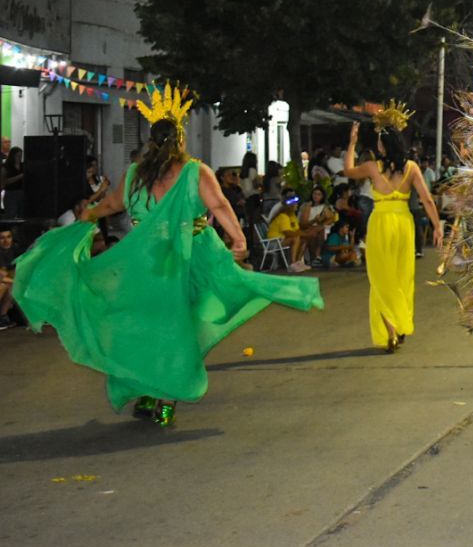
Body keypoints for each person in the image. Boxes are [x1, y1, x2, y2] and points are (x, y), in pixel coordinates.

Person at [12, 86, 324, 426]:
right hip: (190, 257)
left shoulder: (135, 174)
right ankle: (164, 400)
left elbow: (112, 206)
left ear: (150, 140)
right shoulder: (195, 171)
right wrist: (237, 238)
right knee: (180, 329)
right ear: (180, 139)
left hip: (144, 263)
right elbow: (219, 205)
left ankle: (152, 393)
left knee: (150, 328)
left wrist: (87, 216)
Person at [343, 104, 441, 352]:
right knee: (401, 277)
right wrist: (437, 226)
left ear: (384, 145)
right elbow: (427, 199)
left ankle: (391, 331)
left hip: (381, 223)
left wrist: (352, 143)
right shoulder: (412, 168)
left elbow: (347, 170)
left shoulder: (373, 167)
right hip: (404, 224)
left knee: (380, 278)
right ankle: (400, 323)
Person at [266, 192, 310, 272]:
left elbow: (297, 230)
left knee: (304, 239)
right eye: (294, 204)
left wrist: (304, 234)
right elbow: (288, 233)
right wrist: (302, 233)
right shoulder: (283, 216)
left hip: (282, 240)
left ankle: (298, 262)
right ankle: (292, 264)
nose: (296, 205)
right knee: (295, 238)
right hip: (274, 242)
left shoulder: (292, 215)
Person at [298, 185, 337, 264]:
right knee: (313, 233)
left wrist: (322, 224)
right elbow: (303, 223)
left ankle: (316, 256)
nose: (316, 196)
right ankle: (314, 257)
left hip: (317, 229)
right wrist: (314, 221)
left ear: (322, 196)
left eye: (319, 194)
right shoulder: (307, 206)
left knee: (319, 230)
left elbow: (331, 219)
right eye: (315, 194)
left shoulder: (325, 207)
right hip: (307, 228)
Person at [2, 146, 24, 218]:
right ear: (13, 156)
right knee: (11, 213)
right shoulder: (7, 167)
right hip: (11, 192)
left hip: (21, 191)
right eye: (17, 156)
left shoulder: (23, 165)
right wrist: (20, 176)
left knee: (22, 213)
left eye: (21, 156)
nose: (19, 158)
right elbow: (5, 182)